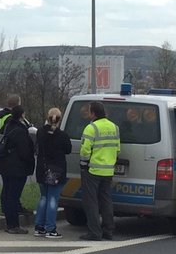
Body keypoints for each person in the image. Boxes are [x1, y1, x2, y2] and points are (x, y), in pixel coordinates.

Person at [79, 101, 120, 241]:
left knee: (91, 202)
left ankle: (94, 232)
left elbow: (85, 150)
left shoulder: (91, 128)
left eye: (89, 111)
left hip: (93, 170)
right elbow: (117, 148)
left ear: (93, 113)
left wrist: (84, 164)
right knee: (106, 201)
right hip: (108, 171)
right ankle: (108, 230)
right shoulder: (114, 127)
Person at [0, 105, 35, 234]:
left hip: (4, 165)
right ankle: (13, 225)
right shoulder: (20, 130)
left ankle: (9, 223)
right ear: (22, 115)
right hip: (16, 168)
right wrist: (31, 160)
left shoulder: (7, 126)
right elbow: (24, 152)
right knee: (13, 196)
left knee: (7, 194)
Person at [34, 107, 72, 238]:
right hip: (56, 171)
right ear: (59, 119)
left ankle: (39, 226)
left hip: (41, 169)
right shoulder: (62, 136)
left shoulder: (40, 132)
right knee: (53, 199)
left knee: (43, 197)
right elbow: (68, 150)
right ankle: (50, 228)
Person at [0, 93, 30, 214]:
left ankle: (8, 208)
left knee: (7, 186)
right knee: (11, 188)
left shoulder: (2, 116)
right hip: (11, 156)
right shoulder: (10, 119)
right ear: (18, 105)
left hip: (4, 155)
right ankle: (11, 209)